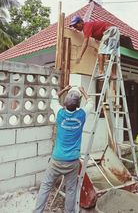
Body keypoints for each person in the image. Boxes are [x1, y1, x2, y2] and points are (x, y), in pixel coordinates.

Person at [34, 85, 94, 213]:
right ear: (78, 103)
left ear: (66, 101)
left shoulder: (59, 112)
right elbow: (90, 102)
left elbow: (54, 98)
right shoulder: (82, 114)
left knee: (45, 186)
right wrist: (83, 91)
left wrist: (65, 89)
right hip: (72, 161)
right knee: (71, 189)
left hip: (57, 159)